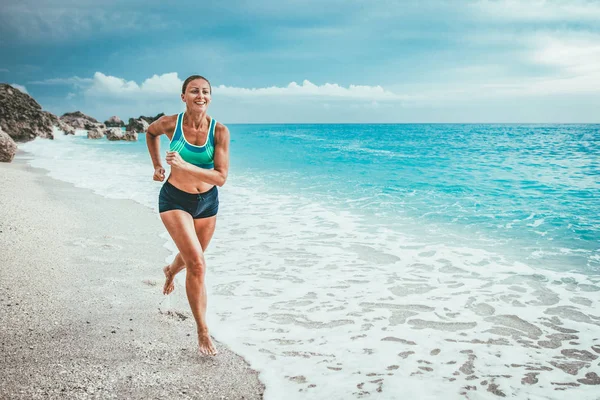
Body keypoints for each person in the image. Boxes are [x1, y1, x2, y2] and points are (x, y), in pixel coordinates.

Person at [146, 75, 230, 356]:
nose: (201, 96)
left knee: (191, 257)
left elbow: (220, 177)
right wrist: (158, 165)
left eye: (206, 91)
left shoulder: (220, 132)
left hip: (207, 202)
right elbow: (150, 132)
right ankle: (202, 331)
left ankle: (170, 270)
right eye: (194, 91)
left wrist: (183, 164)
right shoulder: (172, 123)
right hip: (174, 199)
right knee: (197, 264)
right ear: (183, 96)